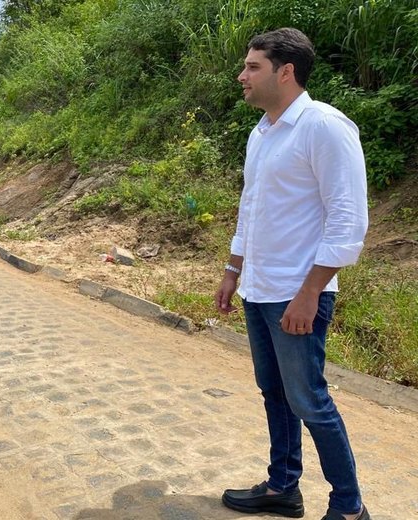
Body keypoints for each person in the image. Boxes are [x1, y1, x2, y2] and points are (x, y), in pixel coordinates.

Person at [214, 28, 371, 520]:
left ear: (285, 72)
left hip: (297, 294)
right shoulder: (260, 132)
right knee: (275, 393)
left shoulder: (323, 126)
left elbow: (349, 219)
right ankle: (283, 487)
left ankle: (349, 508)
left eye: (253, 66)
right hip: (259, 289)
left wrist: (310, 293)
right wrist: (232, 269)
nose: (242, 75)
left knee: (309, 400)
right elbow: (251, 208)